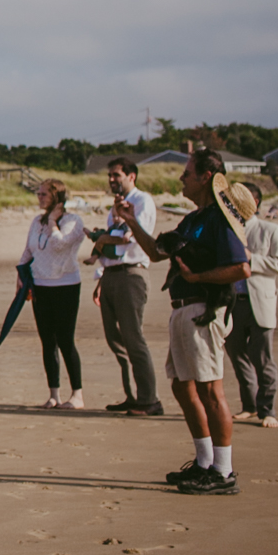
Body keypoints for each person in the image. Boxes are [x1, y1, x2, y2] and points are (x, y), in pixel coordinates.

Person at [112, 149, 252, 495]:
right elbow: (158, 252)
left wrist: (198, 276)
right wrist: (131, 221)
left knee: (209, 388)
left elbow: (242, 268)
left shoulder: (221, 218)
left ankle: (223, 470)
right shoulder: (194, 220)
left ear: (206, 177)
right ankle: (206, 462)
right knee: (181, 385)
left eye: (187, 173)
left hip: (204, 309)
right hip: (184, 308)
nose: (181, 179)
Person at [91, 158, 163, 415]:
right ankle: (132, 395)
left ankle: (149, 399)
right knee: (115, 339)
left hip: (132, 274)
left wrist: (100, 240)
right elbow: (113, 244)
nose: (112, 179)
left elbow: (128, 239)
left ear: (131, 176)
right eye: (110, 175)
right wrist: (100, 276)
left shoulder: (142, 201)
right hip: (111, 273)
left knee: (134, 338)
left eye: (116, 175)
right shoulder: (116, 207)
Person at [18, 178, 85, 410]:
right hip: (40, 285)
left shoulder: (73, 221)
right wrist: (21, 273)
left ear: (57, 197)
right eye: (39, 194)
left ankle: (77, 394)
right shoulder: (37, 221)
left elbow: (59, 245)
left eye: (44, 194)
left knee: (66, 339)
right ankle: (53, 393)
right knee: (47, 341)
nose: (40, 198)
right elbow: (29, 249)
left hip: (65, 285)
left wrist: (54, 221)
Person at [229, 182, 278, 428]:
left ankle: (268, 410)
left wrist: (252, 259)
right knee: (236, 356)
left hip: (260, 303)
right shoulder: (229, 231)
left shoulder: (271, 230)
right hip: (233, 302)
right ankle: (249, 406)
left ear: (254, 202)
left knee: (263, 358)